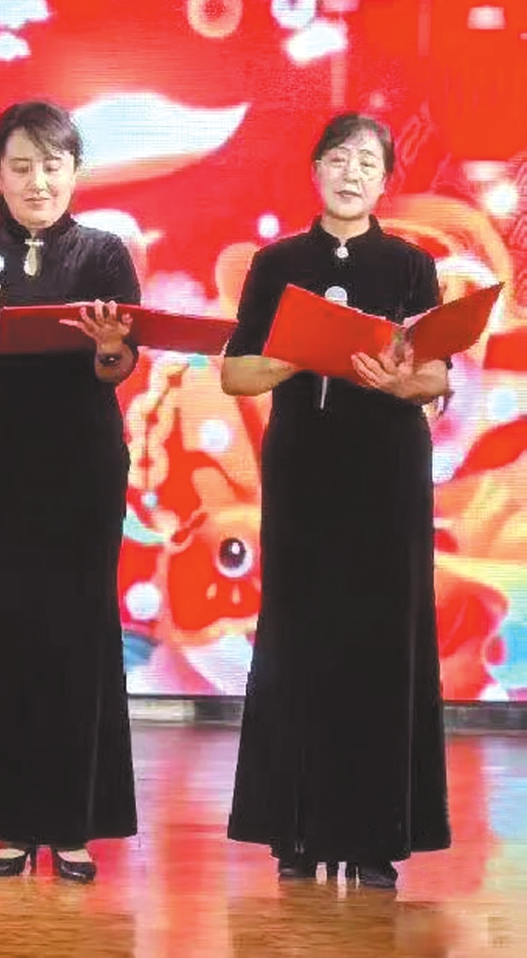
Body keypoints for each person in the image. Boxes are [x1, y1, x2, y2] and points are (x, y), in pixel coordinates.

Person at [220, 112, 452, 890]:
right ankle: (295, 829)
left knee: (383, 641)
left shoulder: (411, 265)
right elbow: (236, 373)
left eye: (368, 163)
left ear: (385, 181)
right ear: (315, 168)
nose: (352, 174)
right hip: (304, 469)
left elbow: (436, 376)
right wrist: (297, 355)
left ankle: (374, 836)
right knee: (299, 637)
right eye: (339, 159)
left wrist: (401, 379)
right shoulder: (277, 262)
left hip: (387, 469)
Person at [0, 100, 141, 881]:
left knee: (79, 634)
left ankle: (72, 825)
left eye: (52, 165)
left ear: (74, 172)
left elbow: (120, 367)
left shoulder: (105, 253)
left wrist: (111, 347)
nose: (37, 180)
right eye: (22, 166)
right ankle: (11, 822)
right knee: (5, 636)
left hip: (83, 461)